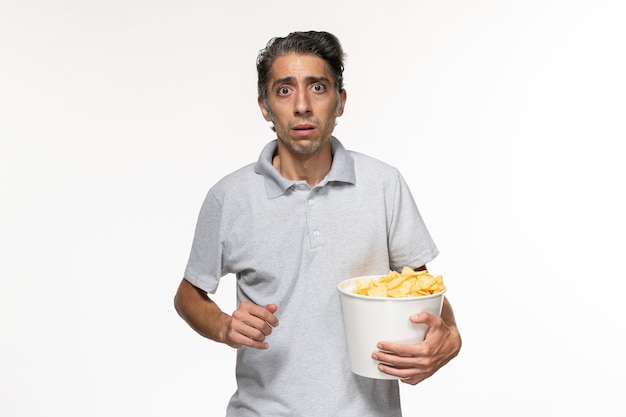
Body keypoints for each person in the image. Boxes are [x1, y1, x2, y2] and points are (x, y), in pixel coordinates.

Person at [174, 30, 461, 417]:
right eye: (285, 90)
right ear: (264, 106)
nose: (303, 105)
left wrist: (450, 337)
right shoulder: (230, 196)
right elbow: (188, 295)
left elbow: (425, 290)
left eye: (318, 87)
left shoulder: (383, 184)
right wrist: (225, 327)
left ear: (340, 102)